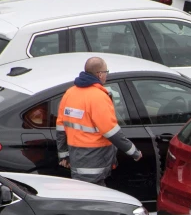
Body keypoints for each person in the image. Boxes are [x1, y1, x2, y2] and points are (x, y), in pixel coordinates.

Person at [56, 56, 142, 187]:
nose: (106, 75)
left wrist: (64, 155)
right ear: (100, 74)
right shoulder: (98, 97)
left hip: (76, 158)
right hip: (94, 159)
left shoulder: (70, 93)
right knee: (94, 199)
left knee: (83, 194)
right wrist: (133, 151)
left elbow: (61, 127)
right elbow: (111, 131)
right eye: (106, 72)